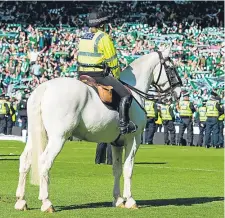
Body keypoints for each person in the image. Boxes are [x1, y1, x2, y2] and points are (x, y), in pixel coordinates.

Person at [77, 10, 137, 136]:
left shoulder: (84, 36)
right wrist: (116, 76)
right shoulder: (103, 37)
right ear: (101, 25)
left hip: (81, 73)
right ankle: (124, 125)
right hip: (97, 74)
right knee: (126, 95)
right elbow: (112, 60)